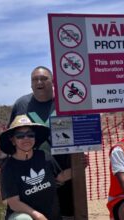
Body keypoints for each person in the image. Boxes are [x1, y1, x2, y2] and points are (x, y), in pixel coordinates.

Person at [8, 66, 75, 219]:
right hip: (33, 179)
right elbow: (12, 136)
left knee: (66, 213)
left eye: (44, 78)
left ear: (53, 82)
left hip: (64, 173)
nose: (39, 82)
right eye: (34, 79)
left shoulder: (66, 101)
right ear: (31, 84)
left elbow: (79, 132)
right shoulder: (21, 104)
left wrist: (77, 162)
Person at [0, 115, 71, 220]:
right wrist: (37, 215)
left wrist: (79, 167)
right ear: (13, 140)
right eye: (20, 135)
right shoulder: (9, 168)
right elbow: (14, 203)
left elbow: (60, 177)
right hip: (28, 216)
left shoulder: (43, 155)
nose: (26, 138)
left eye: (30, 134)